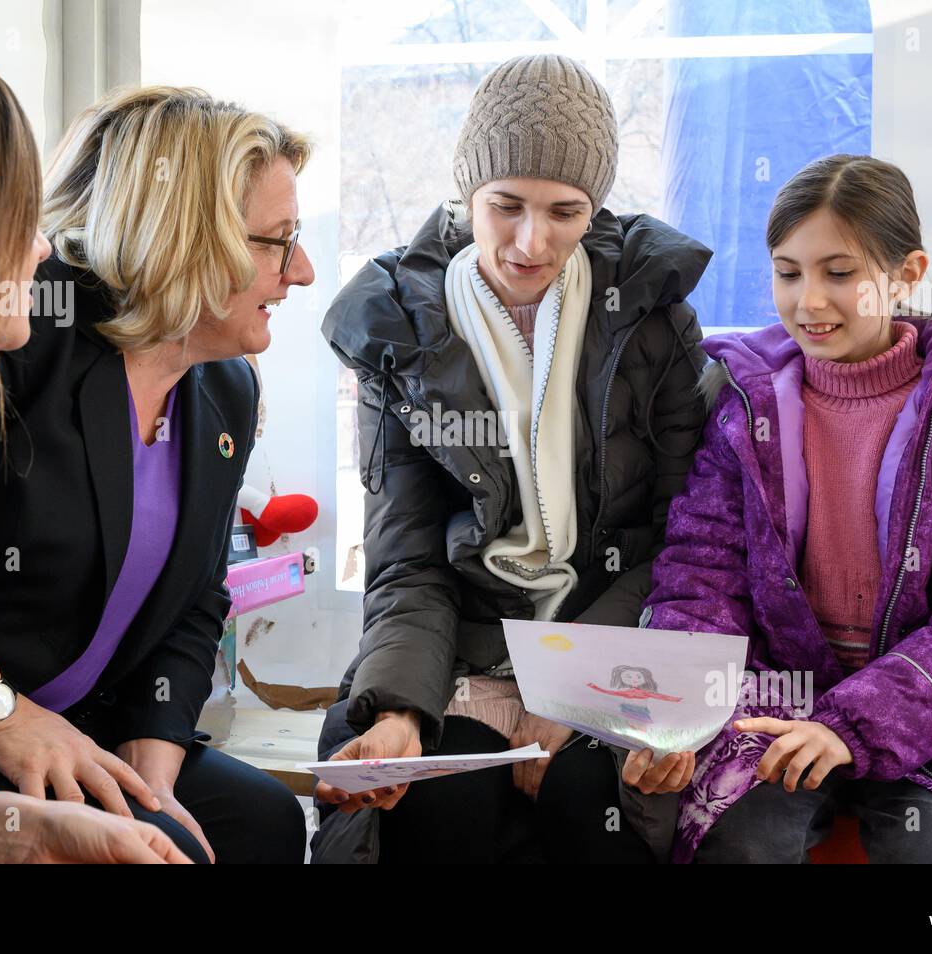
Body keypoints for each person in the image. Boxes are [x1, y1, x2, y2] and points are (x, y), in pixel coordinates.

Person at [0, 85, 316, 864]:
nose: (304, 271)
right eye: (277, 242)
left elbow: (196, 602)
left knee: (259, 822)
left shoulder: (227, 388)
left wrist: (158, 756)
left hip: (80, 718)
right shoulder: (12, 335)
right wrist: (3, 716)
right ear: (184, 236)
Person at [643, 153, 932, 863]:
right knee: (740, 849)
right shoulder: (745, 404)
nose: (810, 301)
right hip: (784, 696)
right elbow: (701, 573)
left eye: (840, 273)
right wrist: (675, 715)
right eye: (788, 271)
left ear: (908, 273)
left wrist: (855, 723)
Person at [314, 54, 712, 863]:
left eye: (566, 212)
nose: (533, 242)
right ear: (466, 195)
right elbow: (409, 559)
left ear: (596, 207)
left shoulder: (653, 318)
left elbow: (685, 543)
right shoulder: (398, 333)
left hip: (612, 634)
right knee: (437, 813)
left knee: (590, 811)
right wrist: (397, 710)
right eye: (507, 206)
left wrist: (575, 687)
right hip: (463, 646)